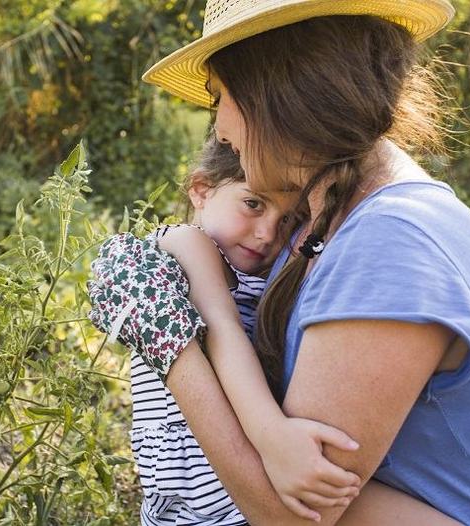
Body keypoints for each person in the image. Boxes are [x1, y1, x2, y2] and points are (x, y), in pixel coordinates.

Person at [90, 1, 470, 524]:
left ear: (274, 92)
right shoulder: (325, 221)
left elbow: (290, 515)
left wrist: (167, 340)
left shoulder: (389, 241)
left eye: (220, 97)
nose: (218, 129)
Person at [130, 136, 363, 525]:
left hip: (233, 493)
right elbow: (223, 329)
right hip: (198, 488)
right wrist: (274, 435)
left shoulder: (268, 275)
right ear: (201, 190)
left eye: (288, 220)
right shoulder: (185, 242)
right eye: (253, 204)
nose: (267, 233)